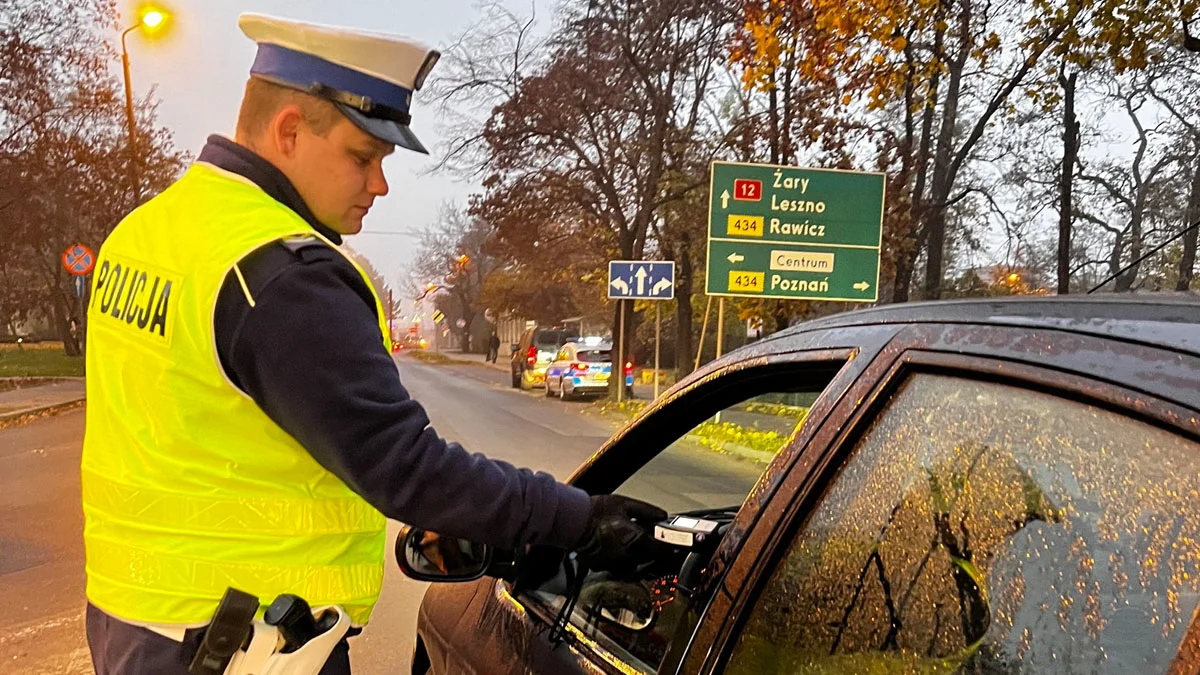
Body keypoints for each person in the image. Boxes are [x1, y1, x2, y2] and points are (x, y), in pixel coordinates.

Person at [81, 13, 664, 675]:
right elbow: (407, 467)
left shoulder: (150, 231)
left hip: (136, 620)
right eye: (364, 156)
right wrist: (582, 521)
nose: (379, 184)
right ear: (290, 130)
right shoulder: (280, 274)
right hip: (240, 645)